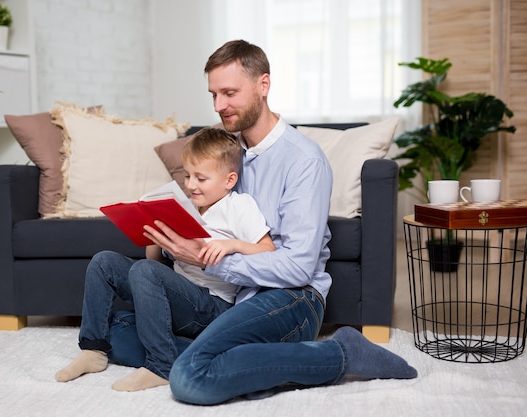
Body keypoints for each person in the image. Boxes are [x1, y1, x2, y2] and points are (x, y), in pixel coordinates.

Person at [140, 39, 418, 405]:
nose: (219, 106)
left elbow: (298, 267)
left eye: (229, 93)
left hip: (292, 297)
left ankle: (342, 353)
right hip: (236, 300)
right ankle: (251, 366)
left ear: (263, 86)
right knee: (124, 332)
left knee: (190, 378)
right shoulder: (226, 154)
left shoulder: (303, 160)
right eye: (213, 95)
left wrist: (210, 260)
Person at [55, 126, 276, 392]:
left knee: (144, 272)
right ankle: (94, 349)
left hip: (211, 305)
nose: (191, 185)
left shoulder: (238, 206)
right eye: (187, 176)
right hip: (178, 295)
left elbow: (269, 251)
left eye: (201, 178)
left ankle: (161, 364)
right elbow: (154, 265)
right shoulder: (186, 206)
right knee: (104, 262)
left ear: (228, 180)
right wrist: (153, 237)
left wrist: (231, 245)